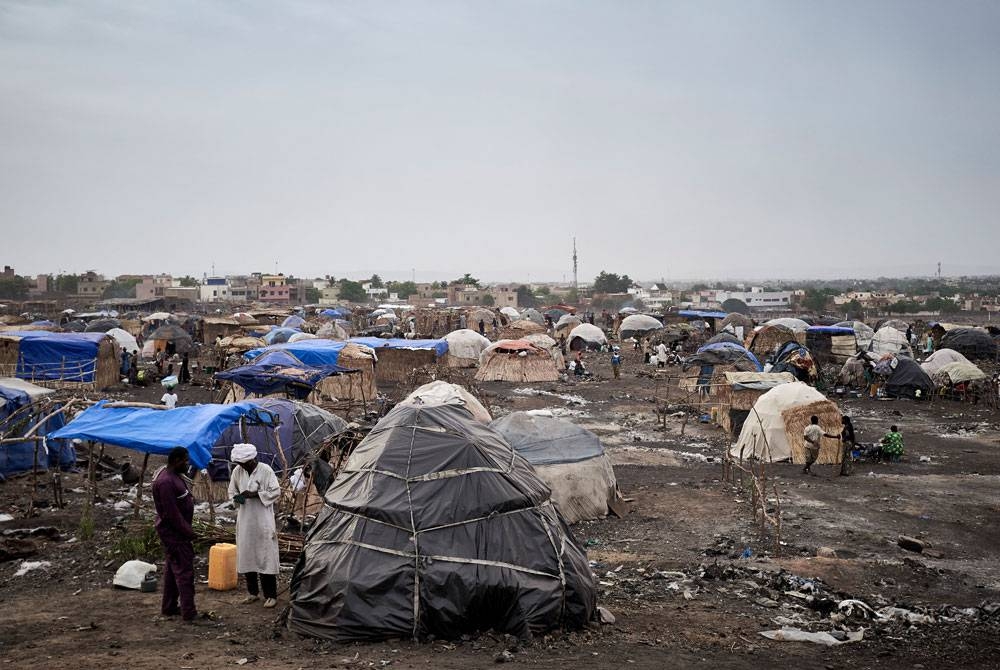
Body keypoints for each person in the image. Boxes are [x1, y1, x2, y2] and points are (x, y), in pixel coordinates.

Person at [228, 443, 281, 608]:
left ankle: (271, 595)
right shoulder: (238, 472)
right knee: (247, 555)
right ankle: (253, 593)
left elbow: (276, 491)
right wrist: (237, 499)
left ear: (253, 459)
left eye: (245, 463)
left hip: (263, 521)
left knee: (265, 557)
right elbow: (232, 492)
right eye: (241, 464)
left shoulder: (265, 470)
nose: (243, 466)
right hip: (245, 521)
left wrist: (255, 495)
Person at [151, 447, 198, 622]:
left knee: (173, 569)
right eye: (185, 460)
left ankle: (169, 606)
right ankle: (189, 612)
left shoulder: (173, 476)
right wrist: (188, 532)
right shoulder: (165, 482)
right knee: (185, 572)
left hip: (177, 532)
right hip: (175, 534)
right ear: (176, 460)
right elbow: (171, 514)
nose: (187, 463)